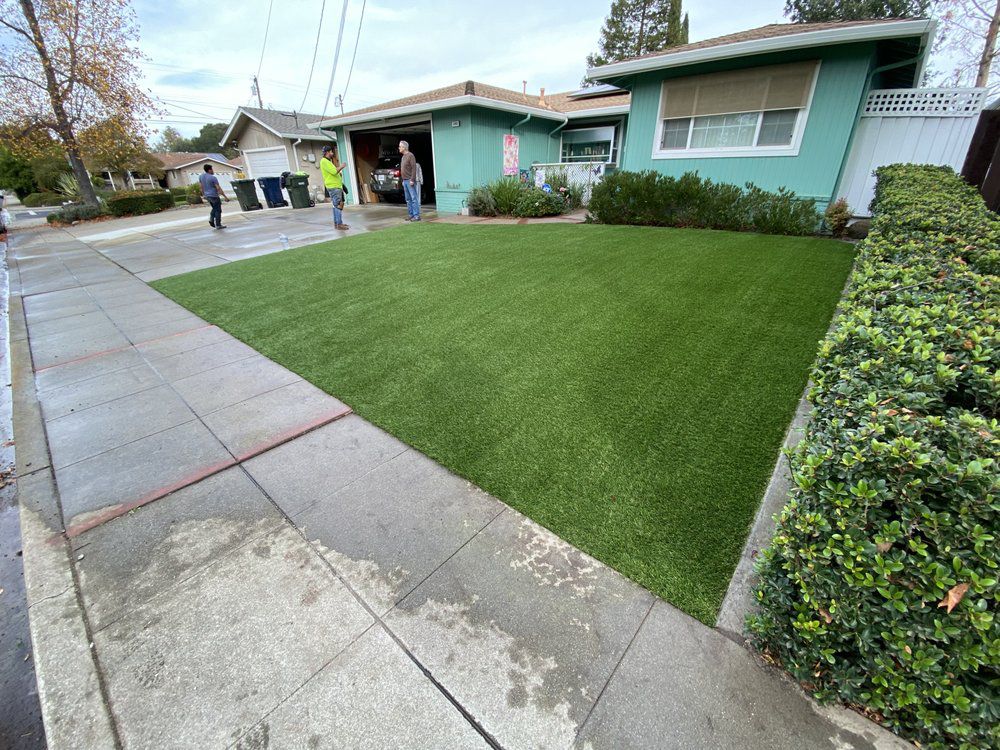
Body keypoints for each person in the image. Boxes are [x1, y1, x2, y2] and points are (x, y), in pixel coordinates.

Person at [320, 144, 349, 230]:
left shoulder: (328, 161)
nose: (332, 153)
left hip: (336, 186)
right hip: (333, 186)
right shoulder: (324, 161)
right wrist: (342, 166)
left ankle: (337, 223)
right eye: (331, 151)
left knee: (337, 204)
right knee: (338, 205)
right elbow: (334, 171)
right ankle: (339, 224)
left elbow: (334, 172)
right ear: (327, 152)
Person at [199, 164, 230, 229]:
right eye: (212, 169)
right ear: (209, 170)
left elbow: (201, 187)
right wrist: (225, 197)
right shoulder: (213, 178)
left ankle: (212, 220)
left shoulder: (201, 176)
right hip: (214, 196)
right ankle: (217, 224)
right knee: (218, 210)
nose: (213, 171)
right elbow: (218, 188)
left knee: (214, 208)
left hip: (207, 196)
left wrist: (203, 194)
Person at [398, 140, 420, 222]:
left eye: (400, 146)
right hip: (405, 181)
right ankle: (411, 215)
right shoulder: (403, 157)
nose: (399, 148)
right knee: (408, 199)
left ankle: (416, 216)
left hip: (410, 181)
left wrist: (412, 180)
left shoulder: (411, 155)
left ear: (404, 147)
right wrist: (403, 181)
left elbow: (414, 168)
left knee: (414, 198)